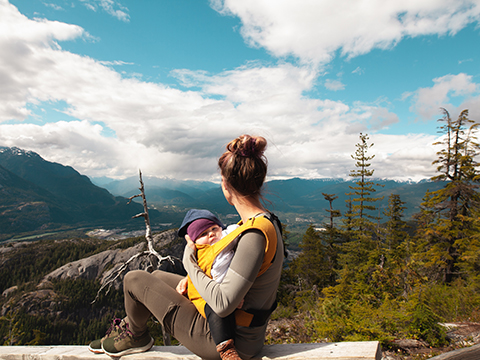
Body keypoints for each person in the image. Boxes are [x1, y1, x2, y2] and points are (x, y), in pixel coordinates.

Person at [88, 134, 284, 360]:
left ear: (225, 184)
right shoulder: (265, 221)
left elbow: (222, 304)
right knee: (158, 277)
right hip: (240, 330)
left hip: (229, 341)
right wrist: (195, 281)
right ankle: (130, 329)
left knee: (134, 279)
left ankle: (137, 336)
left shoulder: (253, 235)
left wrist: (189, 261)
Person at [176, 208, 242, 360]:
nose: (211, 234)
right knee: (216, 311)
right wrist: (188, 278)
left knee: (224, 310)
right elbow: (200, 269)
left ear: (221, 228)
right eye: (203, 234)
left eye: (214, 229)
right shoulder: (201, 252)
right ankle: (226, 349)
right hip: (206, 295)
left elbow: (238, 230)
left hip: (228, 291)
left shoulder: (227, 240)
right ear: (195, 241)